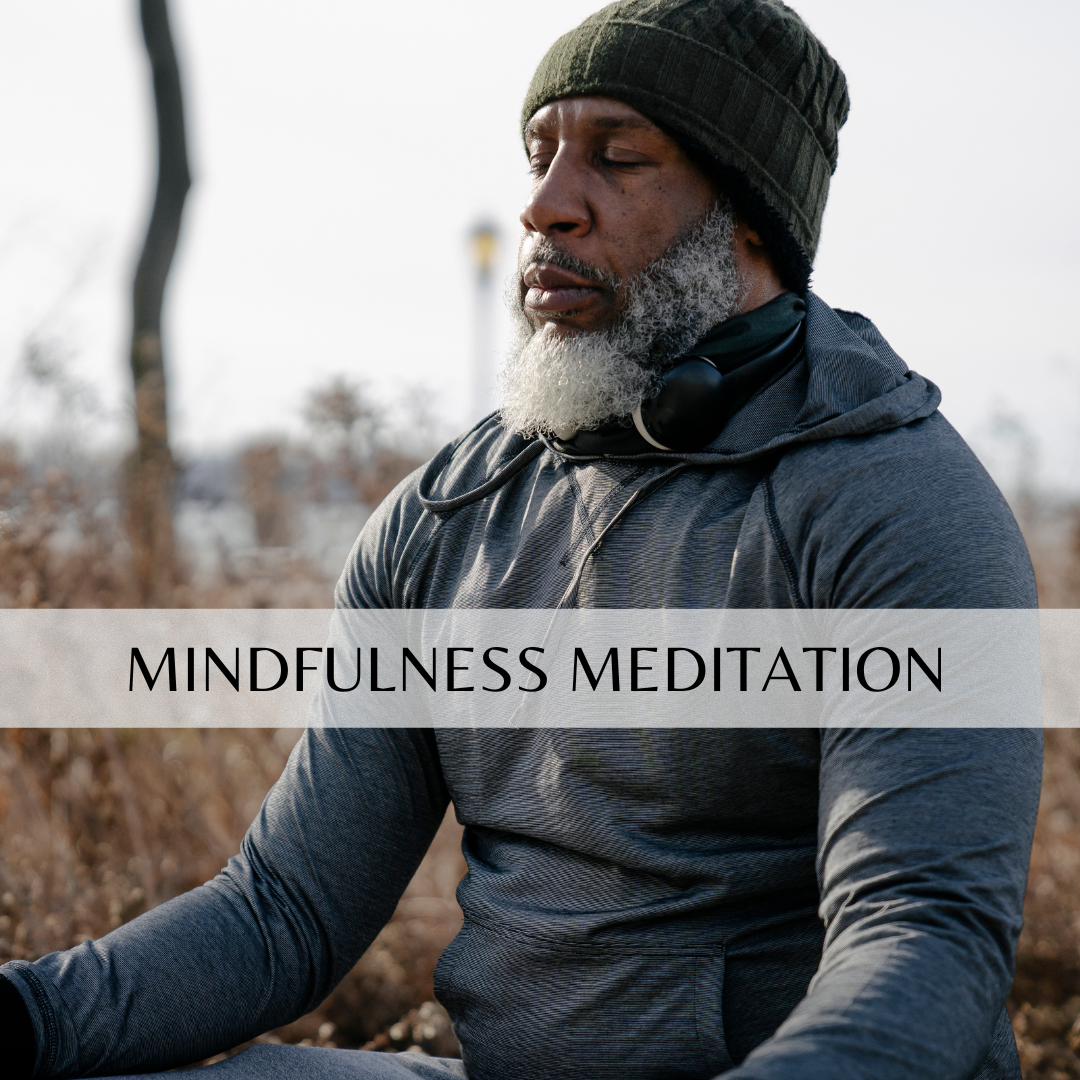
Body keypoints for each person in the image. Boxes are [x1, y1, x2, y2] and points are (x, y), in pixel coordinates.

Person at [1, 1, 1042, 1078]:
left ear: (748, 219)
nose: (547, 206)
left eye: (617, 158)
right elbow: (284, 912)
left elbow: (922, 936)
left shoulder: (898, 507)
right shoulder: (446, 515)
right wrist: (27, 1016)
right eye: (539, 154)